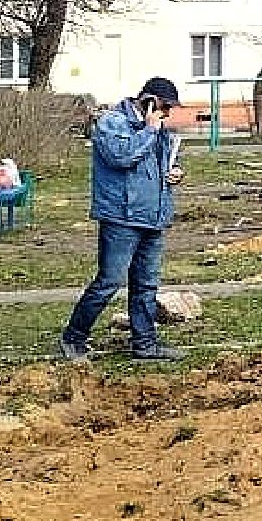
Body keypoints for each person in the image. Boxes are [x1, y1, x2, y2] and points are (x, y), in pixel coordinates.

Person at [59, 77, 186, 362]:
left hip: (153, 217)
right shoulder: (112, 123)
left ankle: (145, 344)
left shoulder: (158, 129)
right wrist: (149, 130)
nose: (167, 113)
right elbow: (122, 157)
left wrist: (175, 172)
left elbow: (164, 161)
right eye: (165, 106)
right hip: (121, 218)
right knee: (109, 281)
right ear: (149, 100)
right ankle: (73, 337)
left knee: (146, 285)